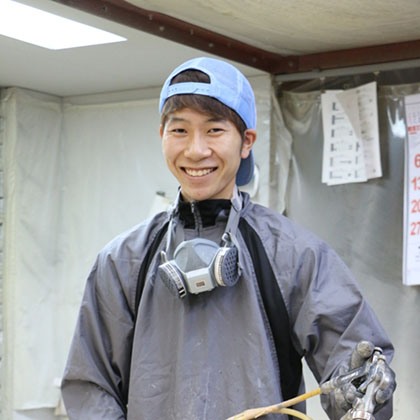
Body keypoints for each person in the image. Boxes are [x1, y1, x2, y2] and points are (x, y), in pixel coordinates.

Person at [61, 57, 395, 420]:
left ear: (246, 141)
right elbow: (91, 385)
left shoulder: (293, 256)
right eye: (179, 131)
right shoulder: (124, 261)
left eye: (215, 130)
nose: (195, 150)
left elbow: (352, 365)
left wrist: (361, 389)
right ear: (162, 136)